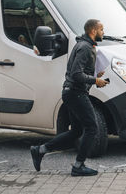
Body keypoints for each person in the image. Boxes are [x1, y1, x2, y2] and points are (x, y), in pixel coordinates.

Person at [30, 19, 108, 176]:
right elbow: (76, 74)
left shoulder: (84, 45)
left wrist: (95, 78)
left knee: (76, 131)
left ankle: (40, 150)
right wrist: (95, 80)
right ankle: (79, 166)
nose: (103, 32)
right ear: (93, 31)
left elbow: (79, 73)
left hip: (72, 92)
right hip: (75, 93)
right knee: (92, 128)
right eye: (101, 29)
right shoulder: (85, 47)